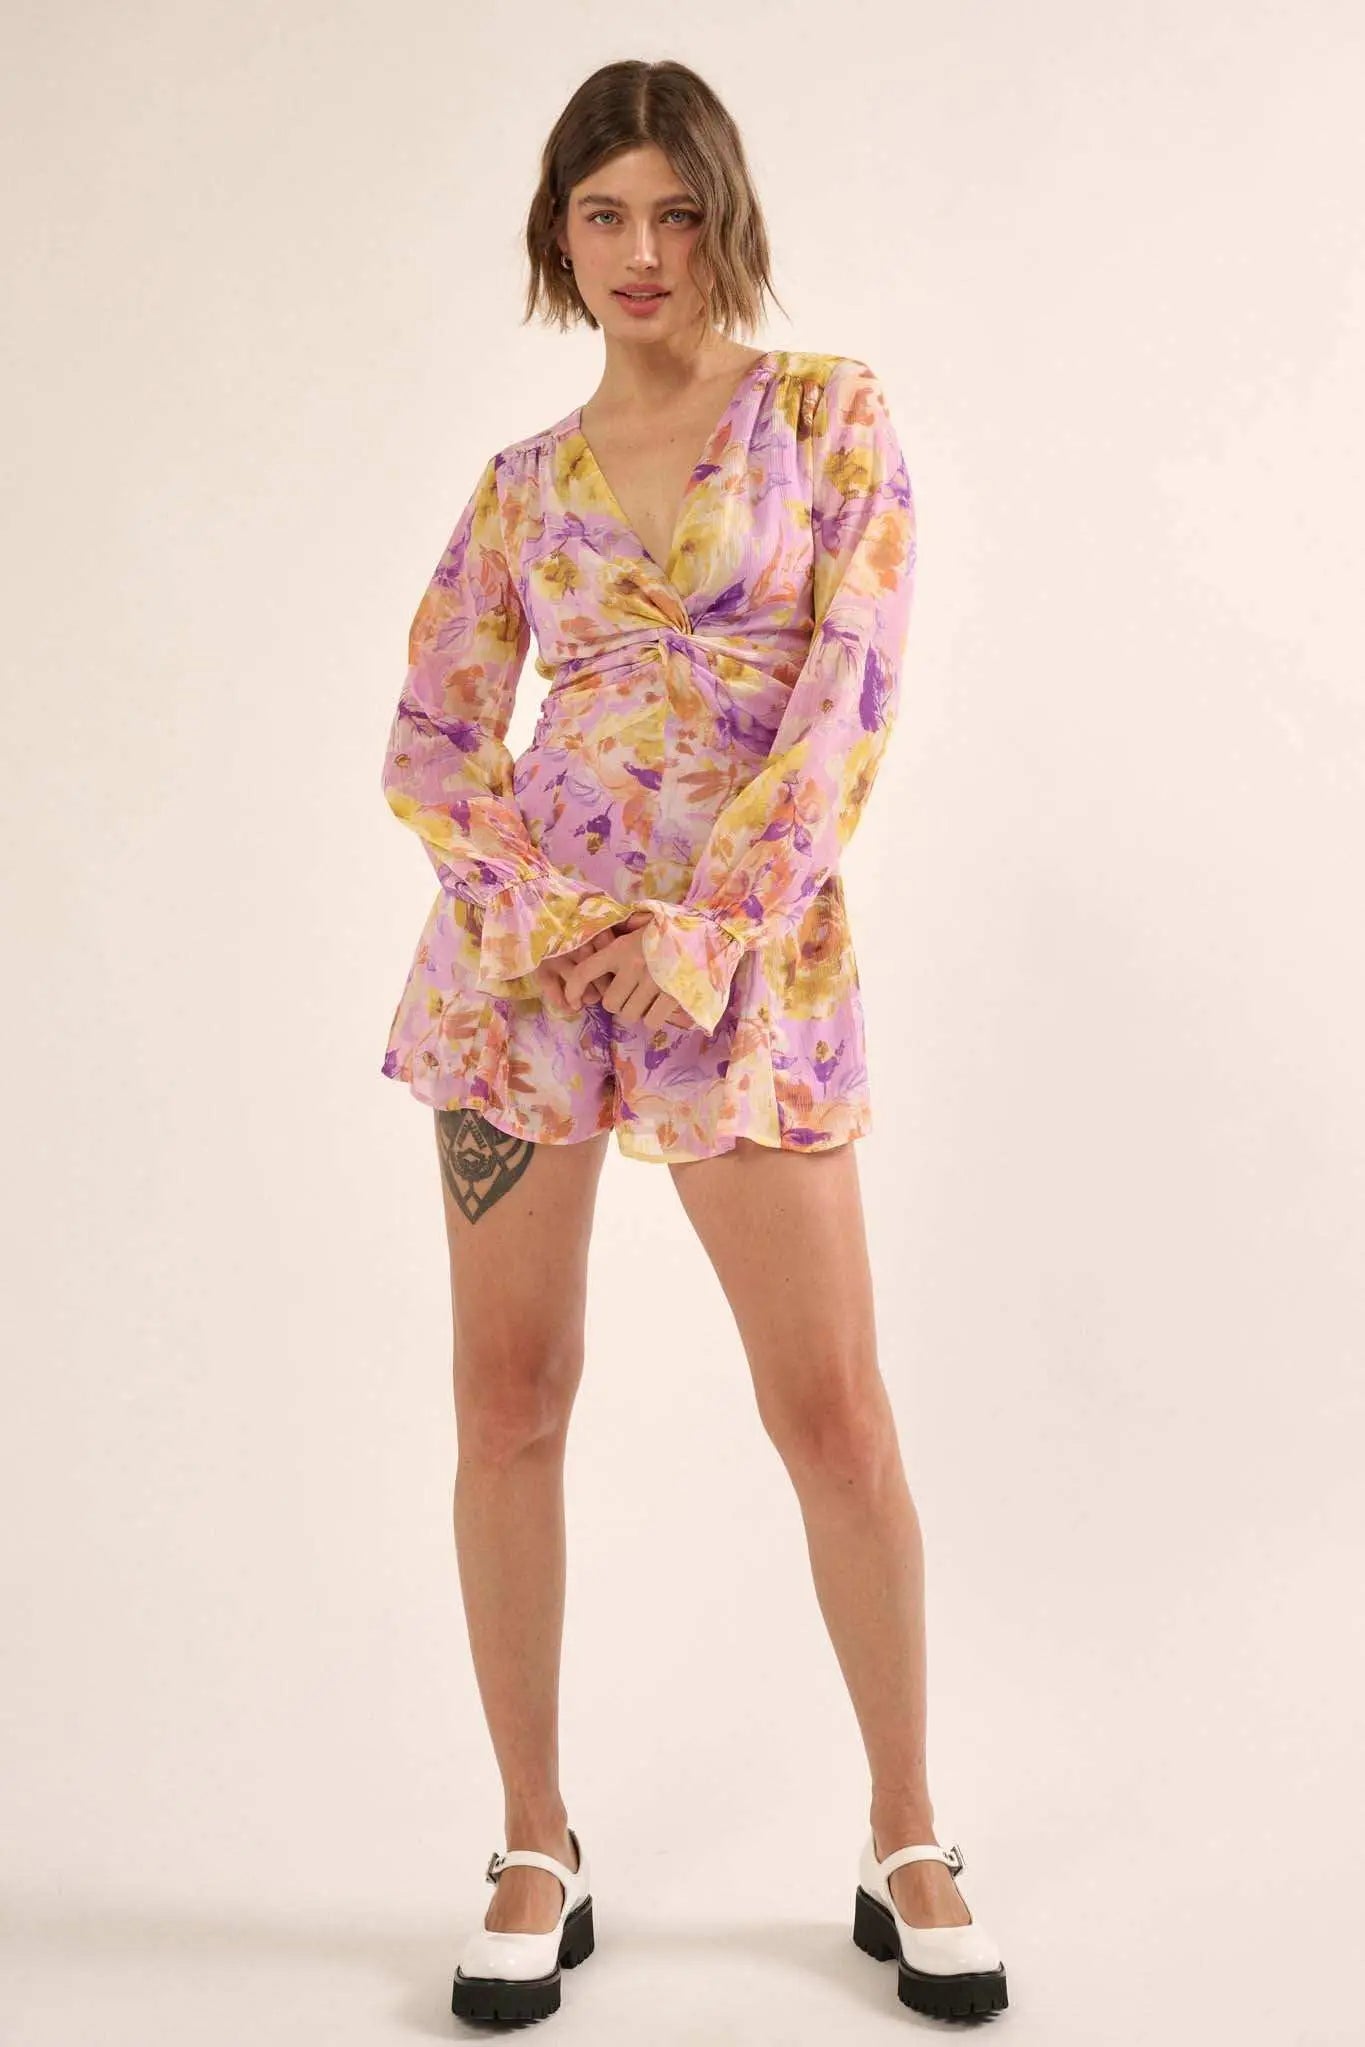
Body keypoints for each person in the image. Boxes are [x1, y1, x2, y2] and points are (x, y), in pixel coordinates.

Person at [379, 56, 1008, 2029]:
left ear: (721, 215)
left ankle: (904, 1830)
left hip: (745, 987)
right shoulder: (518, 488)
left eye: (670, 210)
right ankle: (532, 1837)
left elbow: (850, 690)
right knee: (509, 1404)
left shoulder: (825, 416)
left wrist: (714, 926)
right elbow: (432, 741)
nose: (639, 251)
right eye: (601, 214)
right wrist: (562, 926)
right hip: (523, 985)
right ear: (557, 234)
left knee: (833, 1416)